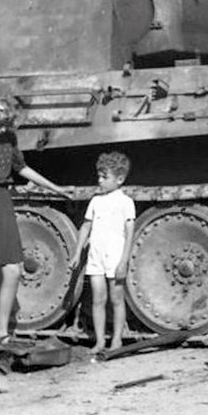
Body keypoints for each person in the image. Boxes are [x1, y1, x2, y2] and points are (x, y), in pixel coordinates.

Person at [0, 99, 71, 351]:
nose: (2, 130)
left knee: (13, 270)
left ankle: (2, 331)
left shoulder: (9, 138)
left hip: (0, 201)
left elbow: (22, 168)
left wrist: (54, 187)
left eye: (6, 125)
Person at [74, 151, 136, 354]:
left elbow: (129, 233)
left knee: (117, 298)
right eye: (99, 176)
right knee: (98, 299)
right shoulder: (96, 201)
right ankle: (100, 341)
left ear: (119, 179)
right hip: (96, 256)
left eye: (104, 177)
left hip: (115, 255)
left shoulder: (125, 202)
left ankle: (117, 339)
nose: (100, 180)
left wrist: (124, 261)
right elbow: (85, 227)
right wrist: (77, 253)